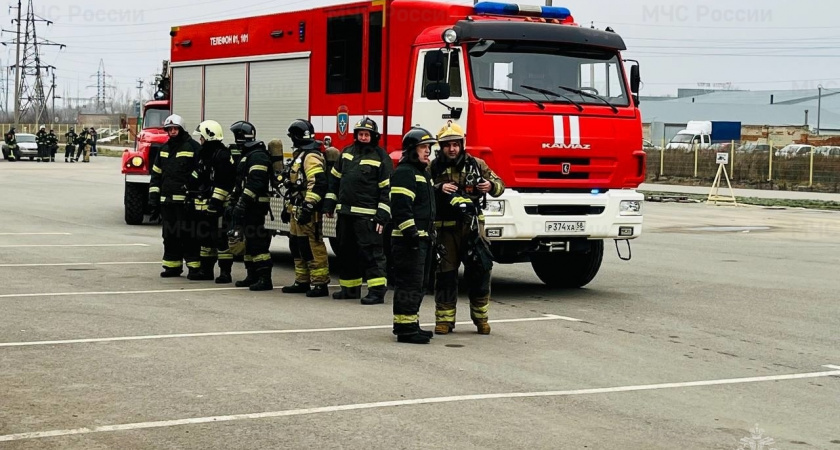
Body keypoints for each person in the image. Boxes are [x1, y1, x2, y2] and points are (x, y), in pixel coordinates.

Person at [429, 121, 505, 335]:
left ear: (462, 144)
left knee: (480, 271)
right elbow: (421, 190)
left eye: (455, 144)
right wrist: (438, 187)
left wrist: (490, 186)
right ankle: (444, 321)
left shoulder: (477, 164)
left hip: (473, 229)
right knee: (445, 275)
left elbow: (500, 185)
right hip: (445, 230)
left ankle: (481, 319)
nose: (452, 149)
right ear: (441, 146)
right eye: (447, 145)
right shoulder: (433, 167)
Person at [323, 118, 391, 304]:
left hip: (367, 217)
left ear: (374, 136)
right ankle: (350, 289)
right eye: (360, 134)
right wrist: (329, 204)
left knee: (371, 254)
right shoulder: (346, 153)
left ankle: (377, 292)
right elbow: (334, 181)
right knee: (346, 252)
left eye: (367, 134)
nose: (363, 137)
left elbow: (387, 190)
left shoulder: (381, 157)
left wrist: (382, 216)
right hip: (345, 214)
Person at [389, 127, 437, 344]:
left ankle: (411, 323)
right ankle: (405, 329)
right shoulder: (405, 172)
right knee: (408, 284)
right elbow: (401, 208)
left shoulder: (422, 173)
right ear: (411, 150)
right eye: (423, 147)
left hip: (422, 239)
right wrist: (412, 235)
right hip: (408, 241)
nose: (427, 151)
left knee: (419, 284)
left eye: (429, 147)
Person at [148, 114, 203, 277]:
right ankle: (172, 266)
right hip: (167, 202)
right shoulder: (164, 149)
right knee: (169, 235)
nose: (172, 131)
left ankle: (194, 268)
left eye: (175, 128)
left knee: (189, 235)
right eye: (169, 129)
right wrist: (153, 200)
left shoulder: (193, 147)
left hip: (186, 202)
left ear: (181, 129)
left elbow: (201, 171)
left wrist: (191, 188)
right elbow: (156, 175)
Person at [280, 119, 330, 297]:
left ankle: (319, 284)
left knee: (311, 246)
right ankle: (302, 281)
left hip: (308, 211)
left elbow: (317, 183)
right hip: (296, 208)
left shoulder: (311, 157)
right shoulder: (301, 154)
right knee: (297, 245)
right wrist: (287, 208)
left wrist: (308, 206)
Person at [227, 120, 274, 291]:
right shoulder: (248, 154)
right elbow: (240, 182)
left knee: (257, 242)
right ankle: (252, 275)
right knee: (248, 242)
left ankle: (264, 279)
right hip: (248, 206)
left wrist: (242, 202)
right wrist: (233, 201)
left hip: (255, 206)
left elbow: (256, 183)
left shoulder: (258, 155)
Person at [189, 120, 237, 283]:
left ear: (209, 136)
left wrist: (215, 204)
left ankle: (225, 273)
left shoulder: (223, 156)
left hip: (220, 206)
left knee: (221, 240)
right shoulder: (204, 154)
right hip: (206, 205)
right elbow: (199, 174)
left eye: (202, 137)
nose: (200, 140)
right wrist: (190, 185)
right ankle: (206, 271)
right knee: (205, 239)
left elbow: (224, 183)